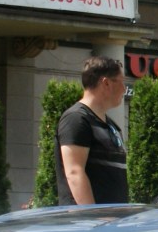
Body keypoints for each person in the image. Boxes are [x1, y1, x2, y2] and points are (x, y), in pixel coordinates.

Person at [55, 56, 128, 205]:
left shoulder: (110, 125)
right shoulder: (76, 119)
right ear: (106, 83)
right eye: (121, 81)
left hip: (112, 220)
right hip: (86, 223)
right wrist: (94, 217)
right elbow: (74, 173)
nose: (124, 89)